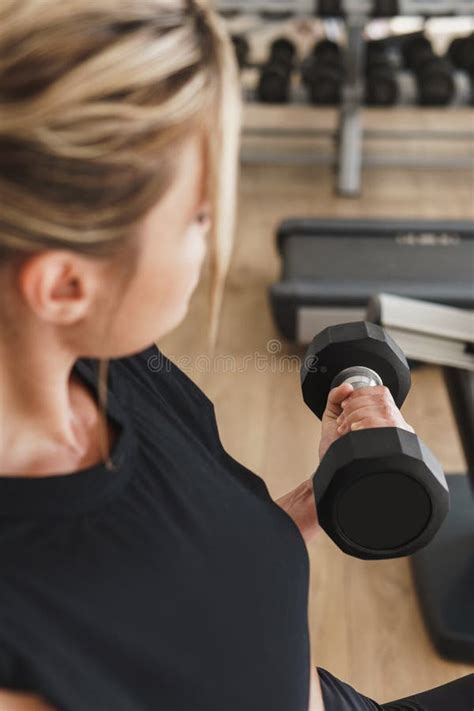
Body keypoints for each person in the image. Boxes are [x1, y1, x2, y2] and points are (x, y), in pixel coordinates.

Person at [0, 1, 472, 709]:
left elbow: (173, 592)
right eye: (196, 217)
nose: (215, 238)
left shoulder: (115, 368)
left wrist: (307, 505)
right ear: (65, 285)